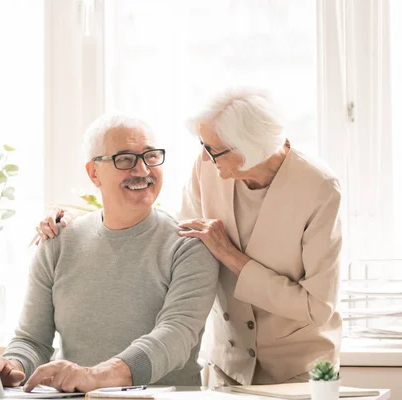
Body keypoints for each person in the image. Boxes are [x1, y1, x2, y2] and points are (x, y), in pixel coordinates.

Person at [35, 88, 343, 386]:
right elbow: (173, 233)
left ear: (247, 151)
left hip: (297, 373)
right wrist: (83, 224)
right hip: (229, 367)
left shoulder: (318, 189)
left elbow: (317, 307)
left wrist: (232, 257)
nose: (205, 158)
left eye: (213, 149)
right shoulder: (208, 169)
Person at [0, 114, 219, 393]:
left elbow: (174, 338)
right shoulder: (57, 242)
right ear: (93, 173)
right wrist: (13, 365)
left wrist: (95, 376)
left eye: (150, 156)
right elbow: (32, 340)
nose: (142, 170)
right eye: (124, 159)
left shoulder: (188, 245)